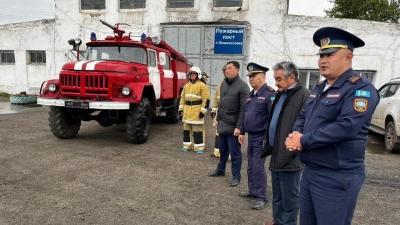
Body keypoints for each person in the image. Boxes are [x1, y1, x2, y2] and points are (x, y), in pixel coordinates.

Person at [285, 27, 380, 225]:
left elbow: (346, 127)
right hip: (311, 170)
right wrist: (296, 134)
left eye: (330, 54)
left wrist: (303, 140)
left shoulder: (361, 88)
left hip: (337, 175)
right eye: (321, 55)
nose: (323, 60)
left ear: (348, 57)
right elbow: (304, 114)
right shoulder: (321, 87)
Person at [263, 61, 310, 225]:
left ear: (292, 77)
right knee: (277, 193)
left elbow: (304, 127)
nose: (276, 83)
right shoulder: (281, 94)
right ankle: (277, 221)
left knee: (290, 196)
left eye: (278, 79)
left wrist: (293, 151)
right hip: (277, 152)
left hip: (291, 155)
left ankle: (287, 223)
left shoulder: (304, 95)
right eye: (275, 79)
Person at [238, 62, 275, 210]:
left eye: (254, 76)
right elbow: (246, 114)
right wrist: (241, 131)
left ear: (263, 76)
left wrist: (267, 138)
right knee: (250, 166)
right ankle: (253, 191)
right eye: (250, 76)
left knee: (258, 167)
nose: (251, 79)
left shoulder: (269, 94)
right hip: (251, 136)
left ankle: (262, 197)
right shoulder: (251, 95)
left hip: (261, 137)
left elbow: (272, 118)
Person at [208, 61, 249, 187]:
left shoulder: (243, 87)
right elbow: (221, 104)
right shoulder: (224, 84)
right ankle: (220, 170)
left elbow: (244, 108)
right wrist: (218, 119)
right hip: (223, 124)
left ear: (237, 70)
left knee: (235, 153)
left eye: (230, 68)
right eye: (226, 68)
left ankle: (236, 176)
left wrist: (239, 127)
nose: (227, 70)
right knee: (222, 150)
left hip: (233, 127)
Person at [179, 66, 210, 154]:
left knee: (198, 131)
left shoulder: (202, 86)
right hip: (187, 112)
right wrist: (181, 109)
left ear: (198, 75)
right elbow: (182, 98)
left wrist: (203, 111)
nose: (192, 76)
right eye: (191, 74)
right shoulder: (186, 86)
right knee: (186, 130)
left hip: (197, 112)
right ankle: (186, 146)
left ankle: (199, 147)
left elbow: (206, 100)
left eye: (194, 74)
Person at [210, 65, 227, 158]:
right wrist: (213, 110)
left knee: (227, 134)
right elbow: (216, 98)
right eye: (224, 71)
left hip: (229, 114)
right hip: (219, 113)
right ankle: (217, 152)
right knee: (218, 133)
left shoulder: (235, 85)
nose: (226, 73)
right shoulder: (221, 84)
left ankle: (227, 154)